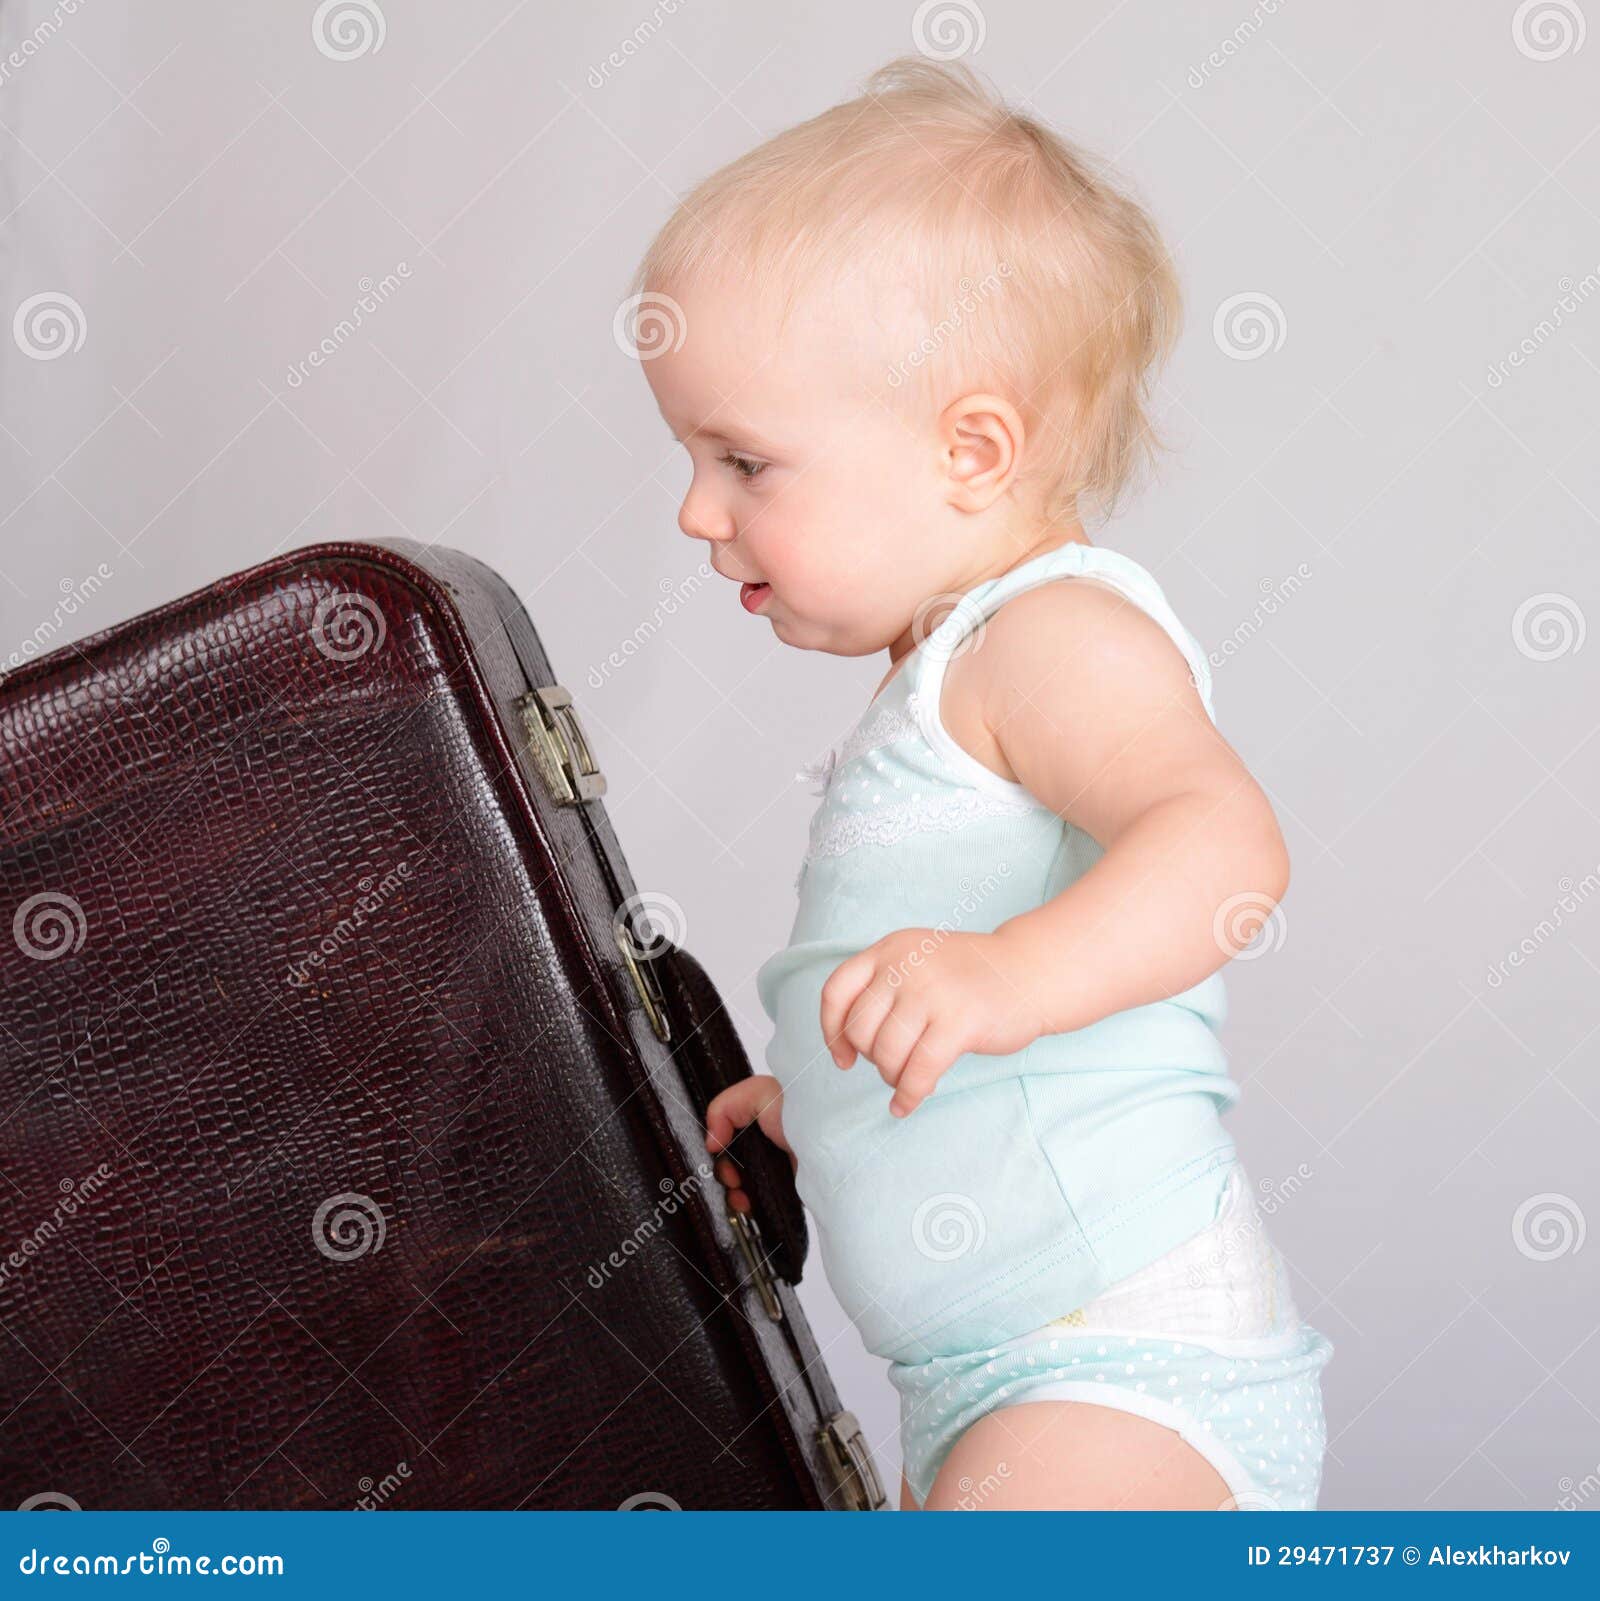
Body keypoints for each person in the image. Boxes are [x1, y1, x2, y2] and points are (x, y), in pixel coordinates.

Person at [630, 53, 1332, 1512]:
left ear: (973, 448)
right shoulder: (946, 670)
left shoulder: (1051, 634)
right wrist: (821, 1100)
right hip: (985, 1378)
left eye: (745, 460)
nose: (699, 511)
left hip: (1121, 1361)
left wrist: (1002, 976)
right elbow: (952, 994)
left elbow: (1224, 845)